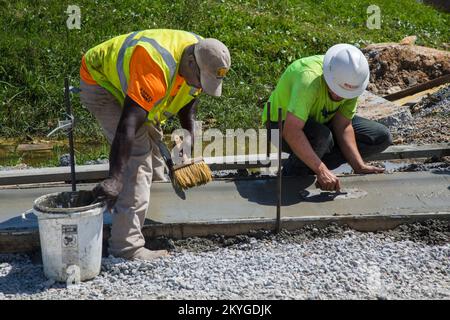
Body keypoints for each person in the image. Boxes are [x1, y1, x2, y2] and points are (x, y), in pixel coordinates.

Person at [79, 29, 231, 260]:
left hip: (140, 84)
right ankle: (126, 246)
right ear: (190, 63)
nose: (201, 86)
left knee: (157, 163)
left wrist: (184, 148)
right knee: (138, 159)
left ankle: (152, 223)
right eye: (201, 79)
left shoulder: (204, 54)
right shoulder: (156, 66)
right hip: (101, 83)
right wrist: (115, 177)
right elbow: (127, 126)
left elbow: (188, 99)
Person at [262, 44, 392, 191]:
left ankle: (310, 165)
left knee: (381, 136)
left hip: (320, 122)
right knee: (323, 137)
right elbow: (291, 131)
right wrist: (321, 170)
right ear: (328, 76)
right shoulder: (309, 78)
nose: (339, 96)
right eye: (336, 90)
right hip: (280, 126)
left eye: (344, 94)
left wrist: (358, 165)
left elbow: (343, 126)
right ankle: (292, 174)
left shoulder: (352, 83)